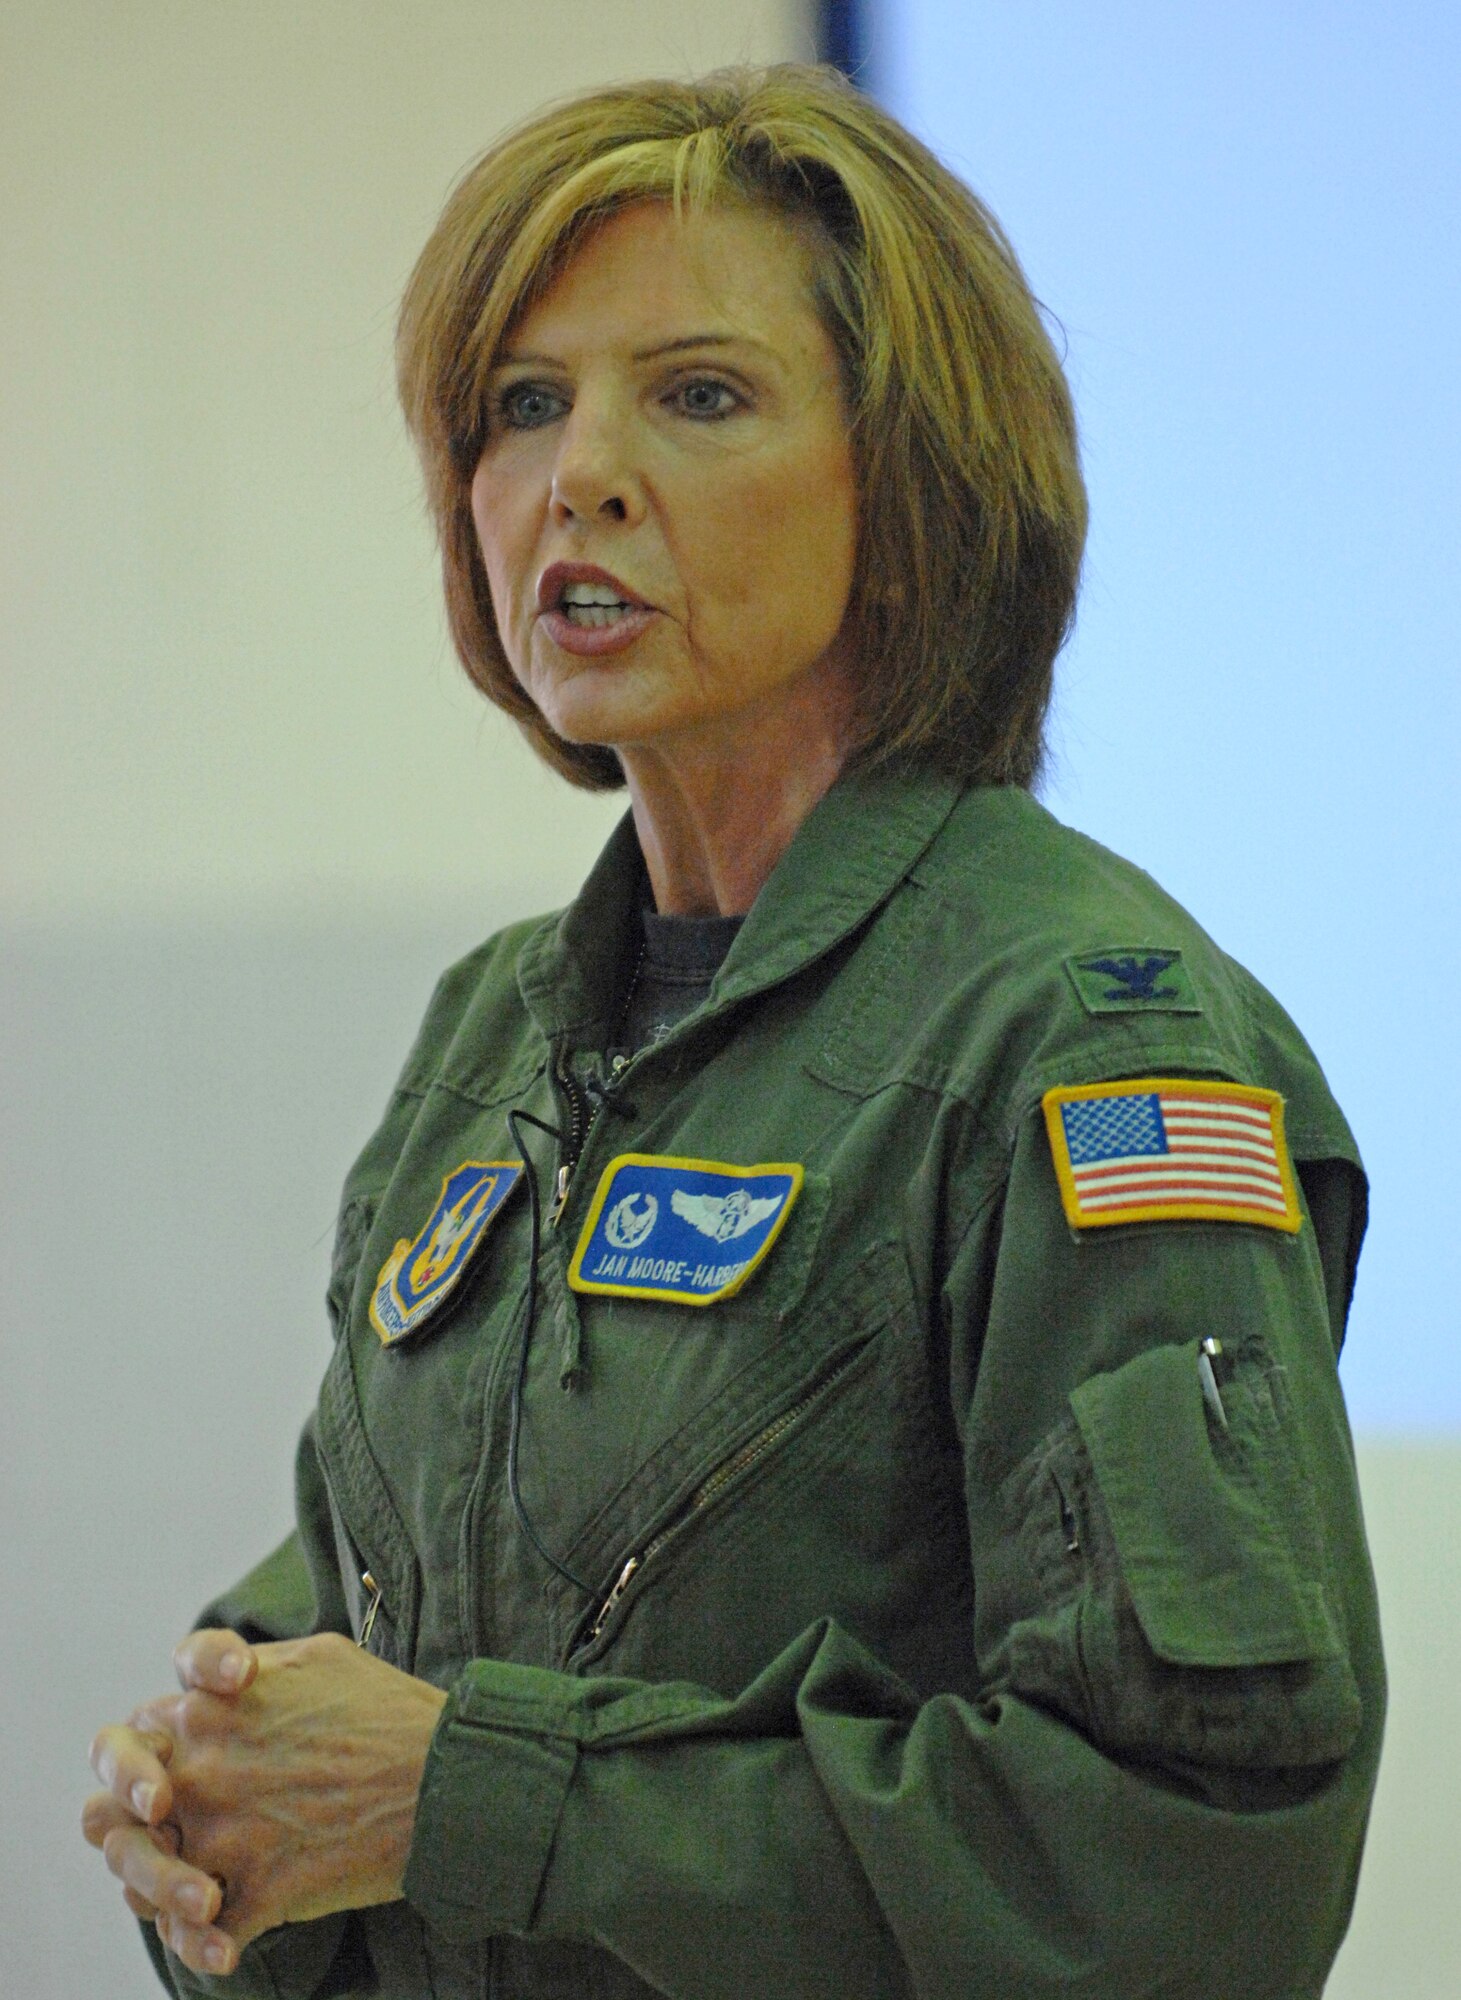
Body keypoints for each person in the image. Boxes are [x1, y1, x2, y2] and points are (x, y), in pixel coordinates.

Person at [83, 62, 1384, 2000]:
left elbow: (1193, 1869)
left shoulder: (1085, 1041)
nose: (579, 475)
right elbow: (357, 1640)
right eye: (521, 405)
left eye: (696, 395)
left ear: (912, 488)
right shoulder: (494, 1029)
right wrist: (216, 1811)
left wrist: (466, 1798)